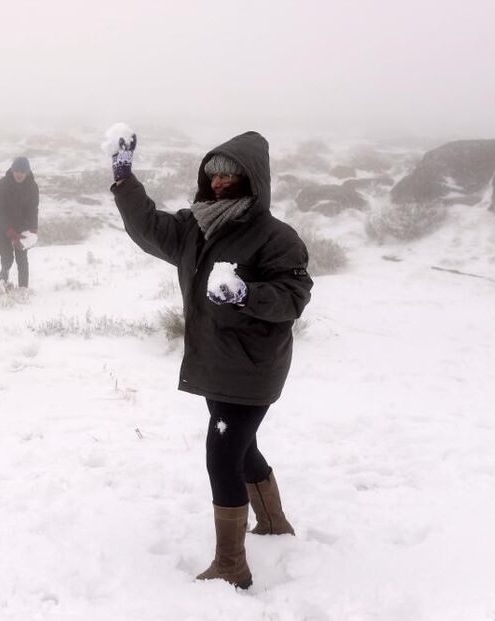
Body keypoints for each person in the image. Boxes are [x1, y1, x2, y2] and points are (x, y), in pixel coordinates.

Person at [108, 130, 313, 589]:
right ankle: (274, 523)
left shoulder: (276, 236)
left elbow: (293, 295)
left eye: (230, 175)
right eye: (213, 175)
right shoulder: (194, 226)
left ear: (253, 178)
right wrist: (124, 180)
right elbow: (148, 227)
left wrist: (246, 295)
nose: (219, 183)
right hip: (214, 362)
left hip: (252, 366)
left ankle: (231, 565)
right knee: (243, 449)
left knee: (222, 455)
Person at [0, 156, 39, 289]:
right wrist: (8, 230)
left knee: (22, 259)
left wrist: (33, 229)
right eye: (17, 170)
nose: (19, 174)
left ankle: (23, 288)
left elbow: (33, 209)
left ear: (27, 172)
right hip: (2, 227)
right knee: (7, 257)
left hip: (21, 227)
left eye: (22, 171)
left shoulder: (32, 187)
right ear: (12, 170)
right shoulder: (2, 185)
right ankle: (3, 282)